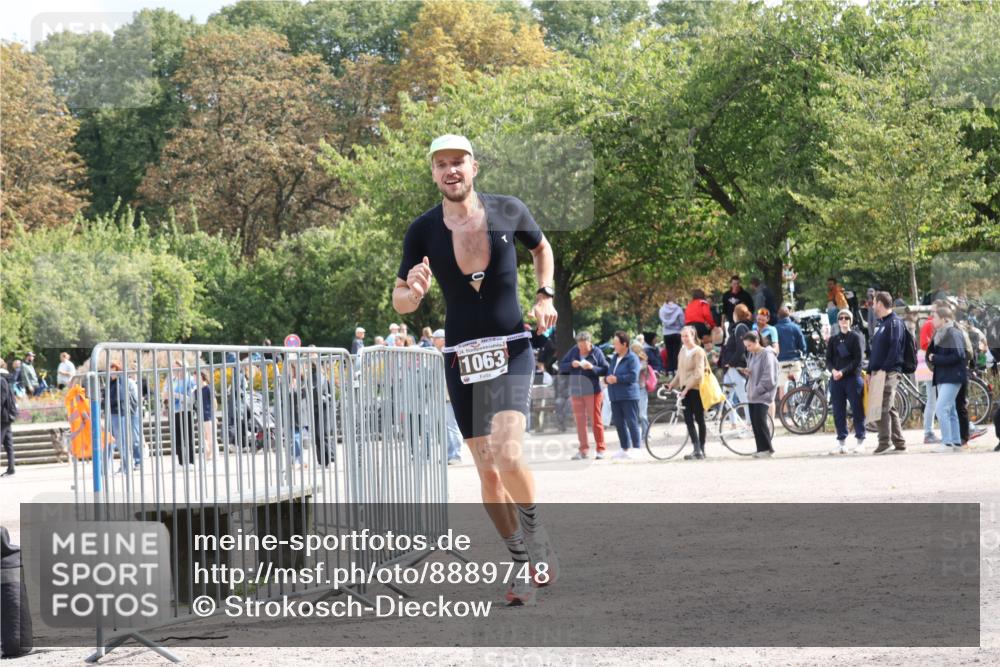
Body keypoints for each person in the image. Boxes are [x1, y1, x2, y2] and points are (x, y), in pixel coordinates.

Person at [392, 134, 558, 606]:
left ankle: (537, 533)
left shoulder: (507, 209)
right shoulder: (421, 230)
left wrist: (545, 294)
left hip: (511, 346)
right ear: (433, 173)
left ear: (474, 166)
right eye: (441, 164)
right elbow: (400, 300)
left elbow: (541, 249)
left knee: (508, 454)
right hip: (461, 355)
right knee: (486, 474)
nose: (450, 171)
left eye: (458, 162)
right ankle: (521, 562)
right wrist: (414, 293)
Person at [868, 291, 908, 454]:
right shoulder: (883, 323)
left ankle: (884, 441)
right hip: (880, 371)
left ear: (880, 303)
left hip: (889, 371)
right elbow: (877, 350)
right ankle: (899, 442)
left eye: (874, 302)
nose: (872, 305)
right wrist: (871, 370)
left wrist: (884, 369)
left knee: (883, 405)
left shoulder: (894, 323)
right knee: (888, 407)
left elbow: (895, 348)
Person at [559, 332, 608, 460]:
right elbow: (561, 366)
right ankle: (583, 450)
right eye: (579, 346)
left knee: (596, 421)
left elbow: (605, 369)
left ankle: (600, 449)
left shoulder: (597, 352)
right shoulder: (574, 351)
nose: (581, 349)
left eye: (584, 346)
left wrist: (592, 367)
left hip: (593, 392)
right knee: (580, 422)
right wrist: (571, 364)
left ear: (589, 342)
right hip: (576, 392)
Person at [826, 310, 866, 454]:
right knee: (838, 410)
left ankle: (861, 439)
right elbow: (828, 360)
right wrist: (833, 371)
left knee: (857, 409)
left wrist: (843, 371)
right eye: (841, 318)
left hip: (852, 378)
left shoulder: (856, 337)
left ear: (851, 320)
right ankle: (841, 441)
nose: (843, 320)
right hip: (836, 379)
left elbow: (858, 360)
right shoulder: (833, 339)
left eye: (846, 318)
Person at [926, 306, 966, 452]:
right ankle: (955, 442)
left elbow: (958, 356)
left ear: (944, 319)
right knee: (951, 410)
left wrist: (936, 358)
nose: (932, 320)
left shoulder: (953, 333)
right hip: (944, 376)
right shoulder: (940, 333)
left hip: (953, 376)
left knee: (941, 408)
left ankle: (947, 442)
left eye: (935, 317)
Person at [668, 326, 708, 460]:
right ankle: (696, 448)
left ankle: (701, 448)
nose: (684, 338)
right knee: (688, 420)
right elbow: (680, 372)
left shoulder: (698, 351)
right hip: (684, 389)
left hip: (695, 389)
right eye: (682, 336)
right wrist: (672, 384)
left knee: (699, 419)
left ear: (693, 336)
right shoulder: (682, 351)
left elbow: (698, 374)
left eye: (687, 336)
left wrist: (686, 389)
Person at [605, 331, 642, 460]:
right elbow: (610, 372)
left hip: (629, 395)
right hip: (615, 395)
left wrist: (617, 379)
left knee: (632, 422)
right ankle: (624, 448)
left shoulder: (633, 358)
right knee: (619, 424)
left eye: (616, 343)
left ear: (624, 344)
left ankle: (637, 448)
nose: (614, 345)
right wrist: (607, 379)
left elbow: (633, 376)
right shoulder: (614, 357)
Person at [743, 331, 778, 457]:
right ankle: (761, 449)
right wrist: (748, 372)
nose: (748, 349)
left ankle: (768, 449)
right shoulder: (753, 354)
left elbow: (769, 376)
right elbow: (756, 371)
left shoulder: (767, 354)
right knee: (755, 423)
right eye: (746, 346)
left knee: (761, 421)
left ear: (757, 341)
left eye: (749, 346)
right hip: (753, 394)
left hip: (763, 394)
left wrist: (758, 389)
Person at [431, 329, 463, 465]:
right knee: (446, 427)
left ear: (443, 339)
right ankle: (450, 454)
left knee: (452, 426)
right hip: (442, 395)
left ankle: (456, 455)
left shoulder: (447, 352)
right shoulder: (438, 353)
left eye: (436, 337)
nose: (433, 340)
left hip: (449, 395)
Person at [165, 360, 198, 467]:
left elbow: (191, 399)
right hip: (174, 411)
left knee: (188, 437)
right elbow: (165, 394)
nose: (174, 370)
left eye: (176, 367)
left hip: (186, 411)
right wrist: (165, 404)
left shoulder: (190, 380)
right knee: (177, 438)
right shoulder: (172, 380)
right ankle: (181, 462)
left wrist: (176, 395)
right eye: (173, 368)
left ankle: (191, 462)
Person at [774, 306, 807, 403]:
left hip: (781, 361)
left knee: (782, 387)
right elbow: (803, 346)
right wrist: (803, 353)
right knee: (797, 385)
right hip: (794, 361)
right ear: (789, 314)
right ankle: (799, 410)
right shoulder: (796, 327)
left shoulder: (775, 329)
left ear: (778, 316)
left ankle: (783, 413)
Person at [919, 308, 939, 444]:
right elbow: (925, 344)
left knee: (933, 400)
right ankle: (928, 432)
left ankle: (929, 432)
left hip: (930, 365)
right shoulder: (930, 324)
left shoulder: (930, 324)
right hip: (929, 366)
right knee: (932, 400)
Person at [631, 341, 652, 443]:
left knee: (642, 414)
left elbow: (637, 370)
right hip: (631, 390)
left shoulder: (643, 361)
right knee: (633, 414)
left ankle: (646, 434)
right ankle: (635, 436)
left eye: (635, 350)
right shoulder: (629, 360)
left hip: (641, 389)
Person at [659, 296, 685, 374]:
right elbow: (682, 321)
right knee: (676, 352)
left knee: (669, 352)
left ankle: (670, 370)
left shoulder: (662, 309)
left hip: (666, 333)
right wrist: (681, 327)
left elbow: (662, 321)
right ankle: (676, 370)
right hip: (677, 332)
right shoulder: (678, 309)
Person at [1, 361, 17, 477]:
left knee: (7, 443)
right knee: (8, 443)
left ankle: (11, 469)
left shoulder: (1, 379)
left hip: (3, 416)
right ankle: (11, 469)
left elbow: (1, 400)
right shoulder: (5, 378)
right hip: (6, 416)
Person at [199, 371, 216, 461]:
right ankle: (208, 453)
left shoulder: (208, 388)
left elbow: (214, 401)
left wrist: (214, 415)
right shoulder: (198, 390)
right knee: (204, 436)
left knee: (209, 436)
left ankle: (211, 454)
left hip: (208, 414)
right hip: (201, 415)